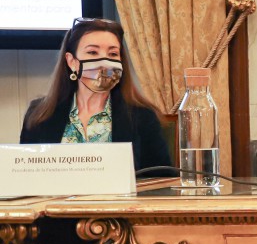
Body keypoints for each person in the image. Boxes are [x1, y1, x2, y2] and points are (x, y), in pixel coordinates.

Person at [19, 18, 171, 172]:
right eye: (92, 52)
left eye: (113, 54)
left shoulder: (143, 115)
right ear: (72, 62)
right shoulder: (39, 114)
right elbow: (25, 175)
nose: (104, 62)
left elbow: (163, 177)